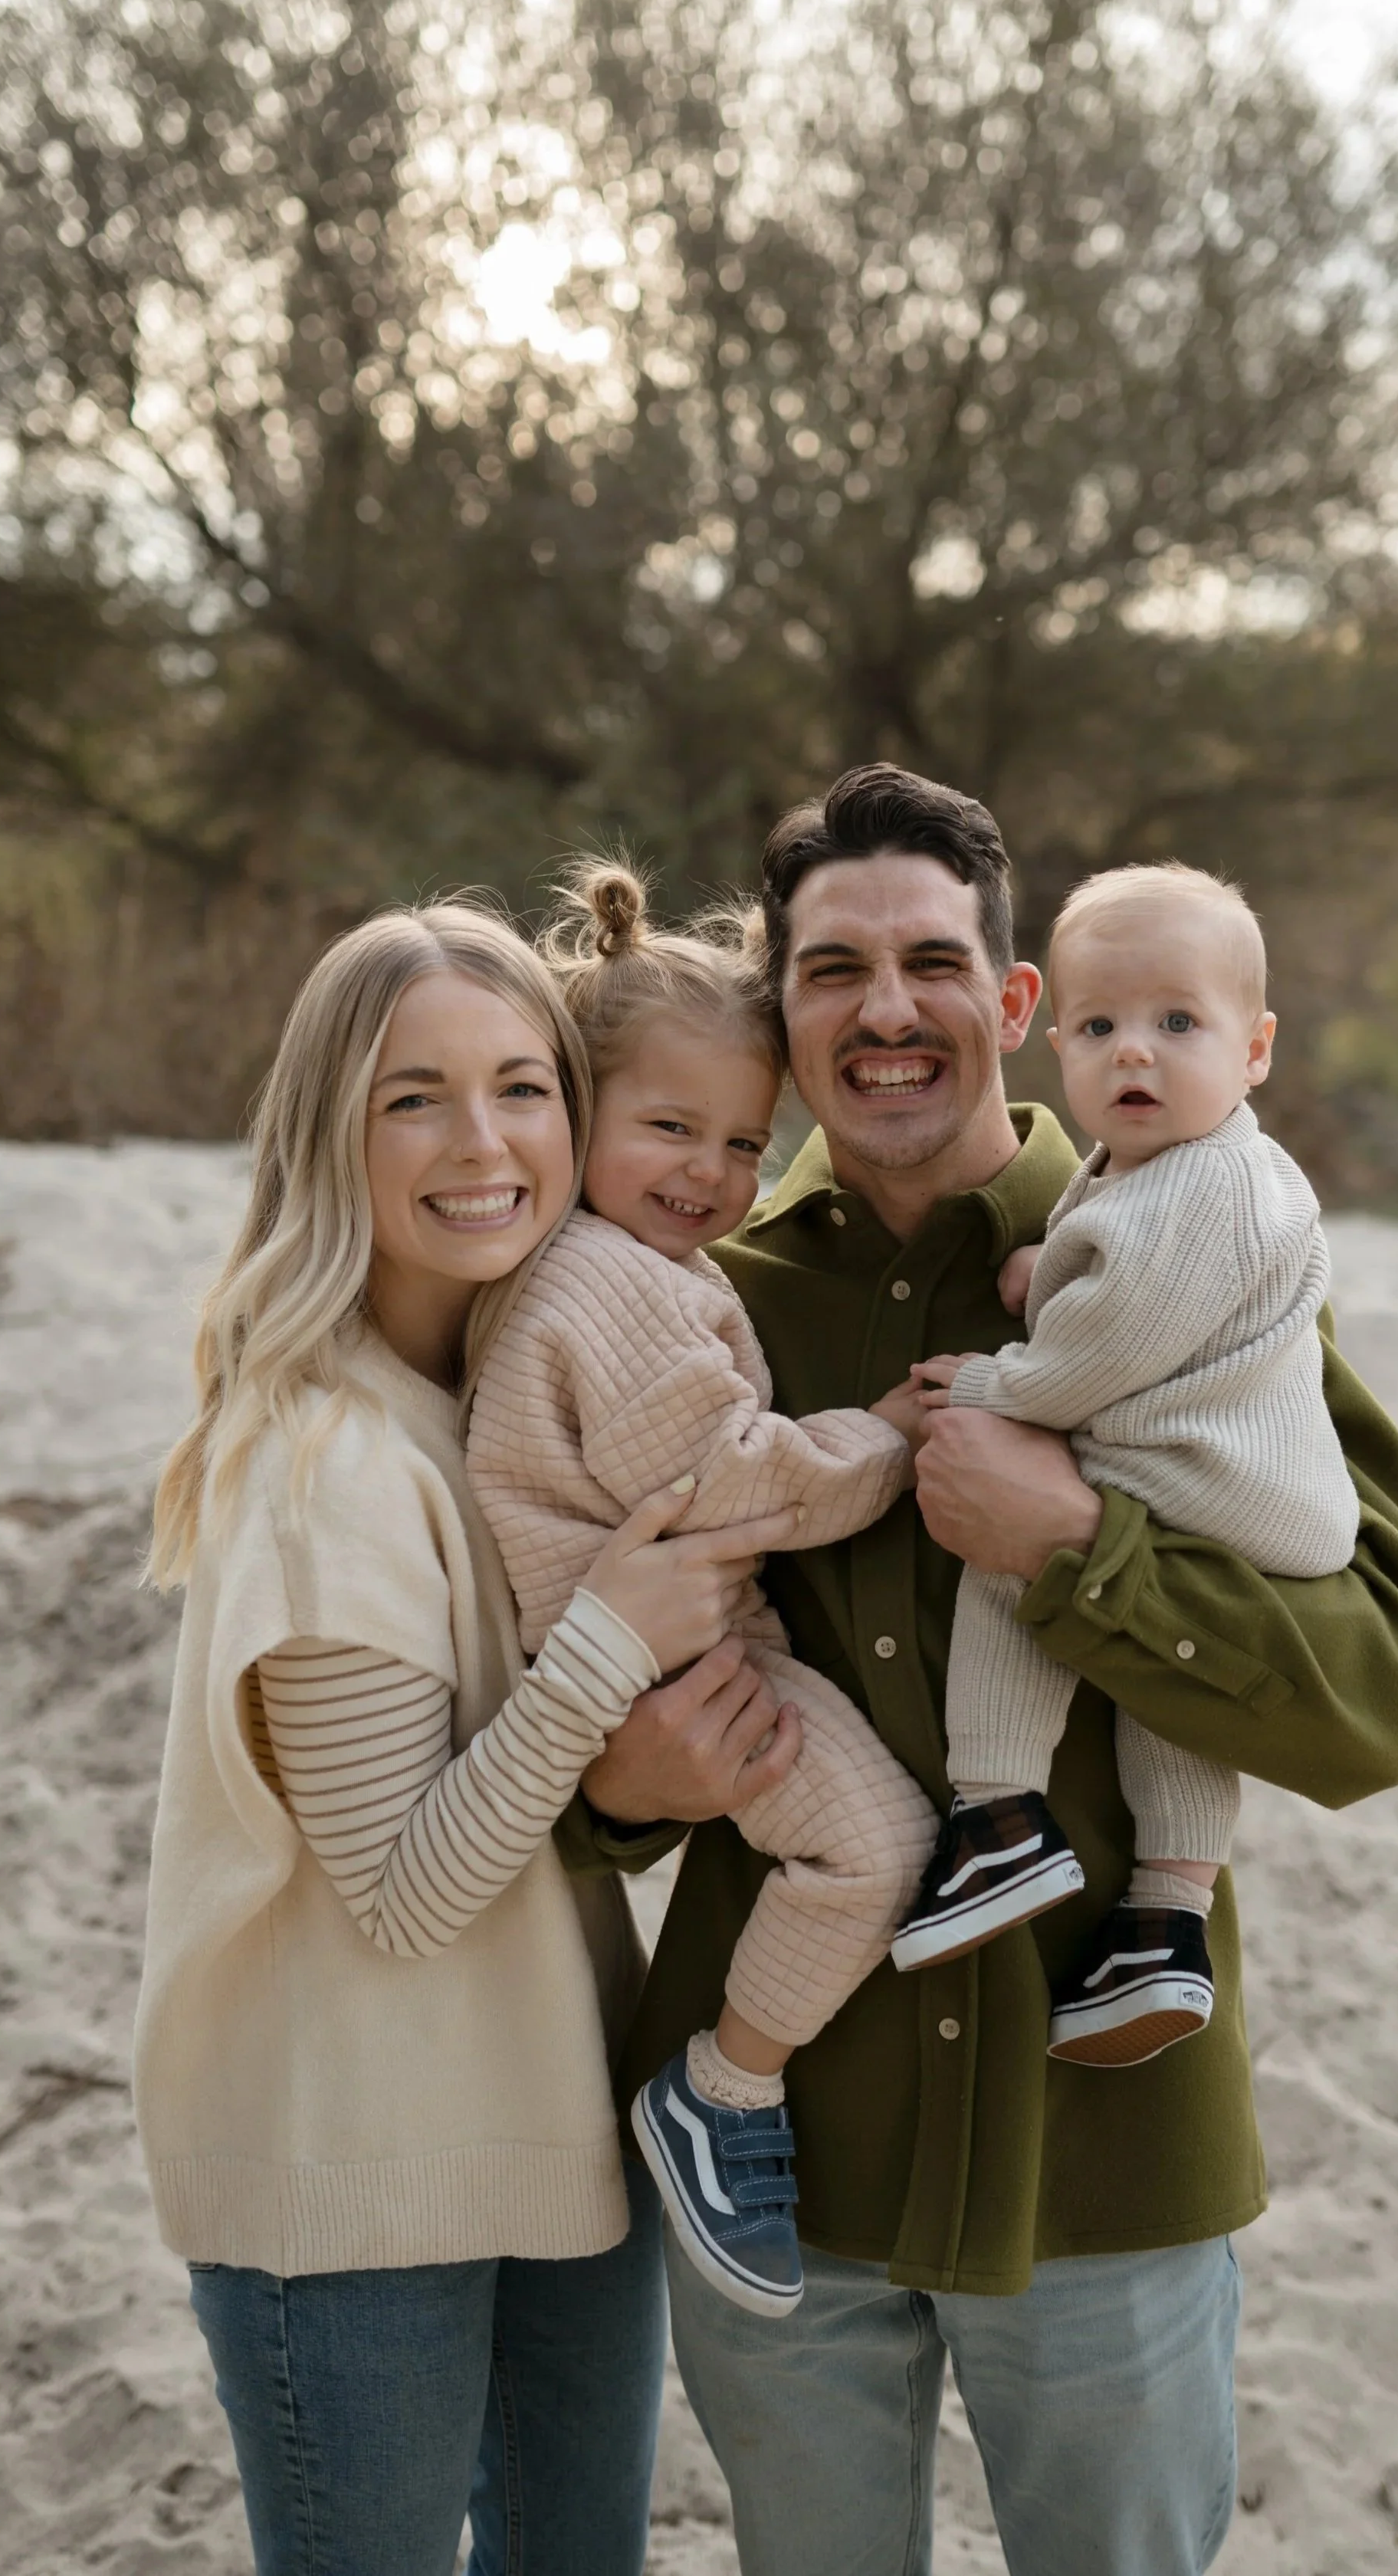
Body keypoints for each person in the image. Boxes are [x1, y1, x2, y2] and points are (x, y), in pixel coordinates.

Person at [563, 766, 1398, 2576]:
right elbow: (541, 1670)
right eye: (831, 972)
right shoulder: (690, 1299)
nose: (885, 1012)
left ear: (1013, 1002)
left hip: (1107, 2153)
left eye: (929, 963)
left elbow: (1373, 1698)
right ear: (784, 1013)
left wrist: (1074, 1552)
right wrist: (619, 1792)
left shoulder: (1203, 1249)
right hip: (779, 2172)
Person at [134, 898, 799, 2576]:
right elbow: (407, 1893)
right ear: (327, 1136)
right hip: (350, 2184)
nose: (482, 1141)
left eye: (521, 1086)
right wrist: (607, 1648)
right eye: (411, 1097)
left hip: (555, 2136)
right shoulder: (318, 1462)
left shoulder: (501, 1405)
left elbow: (558, 1807)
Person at [464, 861, 937, 2320]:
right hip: (673, 1663)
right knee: (874, 1850)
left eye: (746, 1141)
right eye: (669, 1127)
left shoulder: (621, 1262)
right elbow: (740, 1478)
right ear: (570, 1108)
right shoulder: (604, 1286)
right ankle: (723, 2093)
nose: (713, 1176)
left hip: (669, 1640)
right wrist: (894, 1446)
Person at [893, 860, 1360, 2077]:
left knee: (1012, 1557)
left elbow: (1106, 1349)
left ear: (1254, 1047)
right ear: (1055, 1042)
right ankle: (1167, 1909)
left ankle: (994, 1811)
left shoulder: (1202, 1185)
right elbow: (1121, 1274)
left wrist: (996, 1383)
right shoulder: (1191, 1167)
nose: (1134, 1055)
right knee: (1163, 1685)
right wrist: (1048, 1268)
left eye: (1176, 1024)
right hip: (1247, 1491)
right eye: (1101, 1029)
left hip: (1208, 1470)